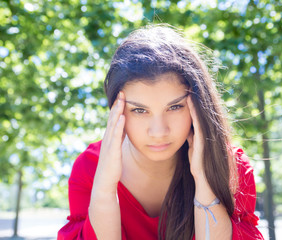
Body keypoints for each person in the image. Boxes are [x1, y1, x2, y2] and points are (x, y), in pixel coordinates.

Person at [58, 24, 264, 240]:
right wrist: (105, 189)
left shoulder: (232, 166)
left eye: (174, 107)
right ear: (116, 112)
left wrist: (204, 180)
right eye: (139, 110)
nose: (159, 131)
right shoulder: (90, 168)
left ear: (198, 105)